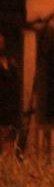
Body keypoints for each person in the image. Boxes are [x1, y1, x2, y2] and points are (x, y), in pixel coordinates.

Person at [0, 32, 19, 161]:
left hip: (10, 113)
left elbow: (15, 88)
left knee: (9, 150)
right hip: (1, 112)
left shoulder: (10, 64)